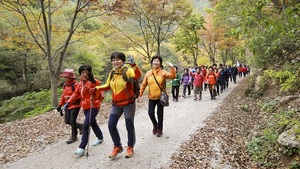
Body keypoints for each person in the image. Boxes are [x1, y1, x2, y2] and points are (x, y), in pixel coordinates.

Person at [91, 52, 142, 159]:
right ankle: (117, 146)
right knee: (111, 125)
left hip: (128, 103)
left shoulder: (127, 70)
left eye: (118, 59)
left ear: (122, 61)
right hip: (116, 104)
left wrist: (134, 66)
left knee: (129, 125)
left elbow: (137, 76)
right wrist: (97, 88)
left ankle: (130, 147)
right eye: (113, 60)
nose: (115, 62)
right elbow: (107, 85)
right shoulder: (112, 72)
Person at [64, 65, 105, 156]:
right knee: (93, 122)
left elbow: (100, 95)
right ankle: (100, 137)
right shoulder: (80, 84)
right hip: (85, 107)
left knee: (86, 125)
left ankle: (82, 147)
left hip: (93, 106)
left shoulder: (95, 82)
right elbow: (75, 94)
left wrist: (93, 93)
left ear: (90, 73)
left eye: (86, 72)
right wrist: (68, 102)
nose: (84, 74)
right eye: (82, 72)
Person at [139, 55, 176, 137]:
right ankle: (155, 125)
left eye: (158, 61)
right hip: (151, 97)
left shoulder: (163, 72)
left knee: (160, 114)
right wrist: (140, 93)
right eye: (154, 61)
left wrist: (172, 68)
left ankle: (160, 129)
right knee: (150, 113)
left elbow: (173, 76)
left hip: (160, 97)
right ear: (152, 62)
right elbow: (144, 84)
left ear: (160, 63)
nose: (156, 62)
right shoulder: (148, 73)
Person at [57, 69, 83, 144]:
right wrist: (60, 105)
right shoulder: (65, 85)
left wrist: (70, 98)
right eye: (65, 77)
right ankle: (81, 126)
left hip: (75, 104)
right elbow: (63, 96)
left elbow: (79, 95)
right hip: (67, 105)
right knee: (67, 121)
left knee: (72, 120)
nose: (65, 78)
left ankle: (74, 136)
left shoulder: (76, 85)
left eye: (67, 77)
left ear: (71, 77)